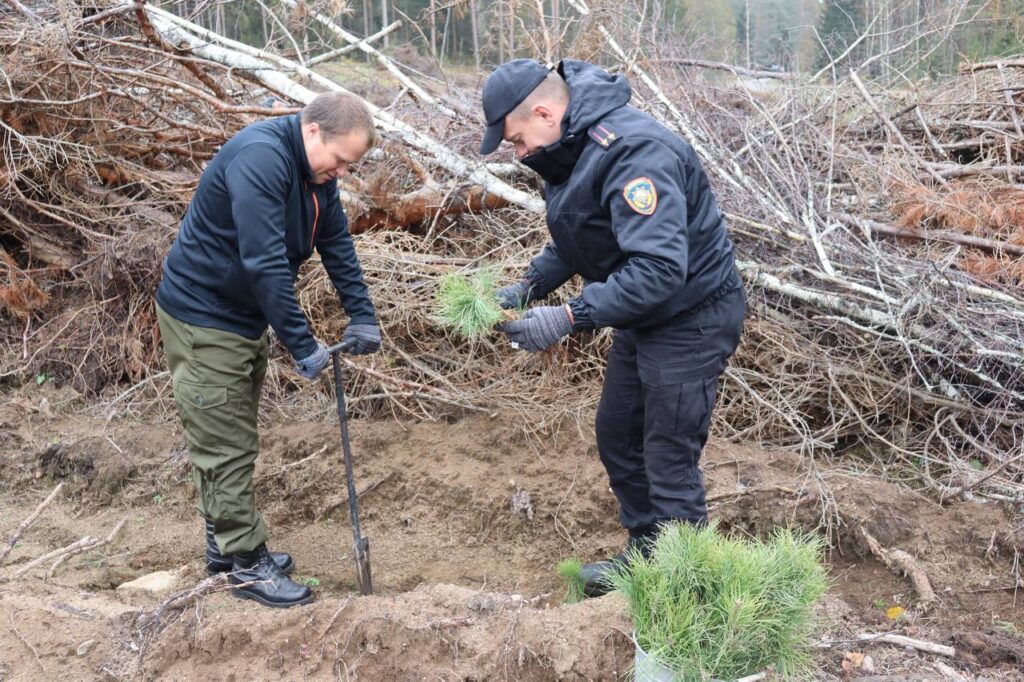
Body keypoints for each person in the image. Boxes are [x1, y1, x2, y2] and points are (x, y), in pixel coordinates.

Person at [480, 60, 745, 596]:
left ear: (545, 112)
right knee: (618, 434)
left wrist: (567, 317)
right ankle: (647, 558)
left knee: (668, 457)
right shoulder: (574, 150)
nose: (519, 153)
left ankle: (686, 595)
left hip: (692, 316)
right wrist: (526, 289)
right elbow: (581, 235)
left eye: (517, 140)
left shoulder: (635, 153)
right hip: (645, 314)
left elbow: (660, 268)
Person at [155, 92, 381, 608]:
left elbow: (337, 241)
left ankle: (224, 546)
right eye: (342, 160)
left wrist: (362, 313)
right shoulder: (262, 159)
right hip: (204, 316)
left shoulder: (315, 175)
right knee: (225, 443)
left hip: (241, 316)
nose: (344, 172)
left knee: (230, 433)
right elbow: (264, 263)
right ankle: (247, 565)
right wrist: (302, 344)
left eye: (353, 164)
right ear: (312, 132)